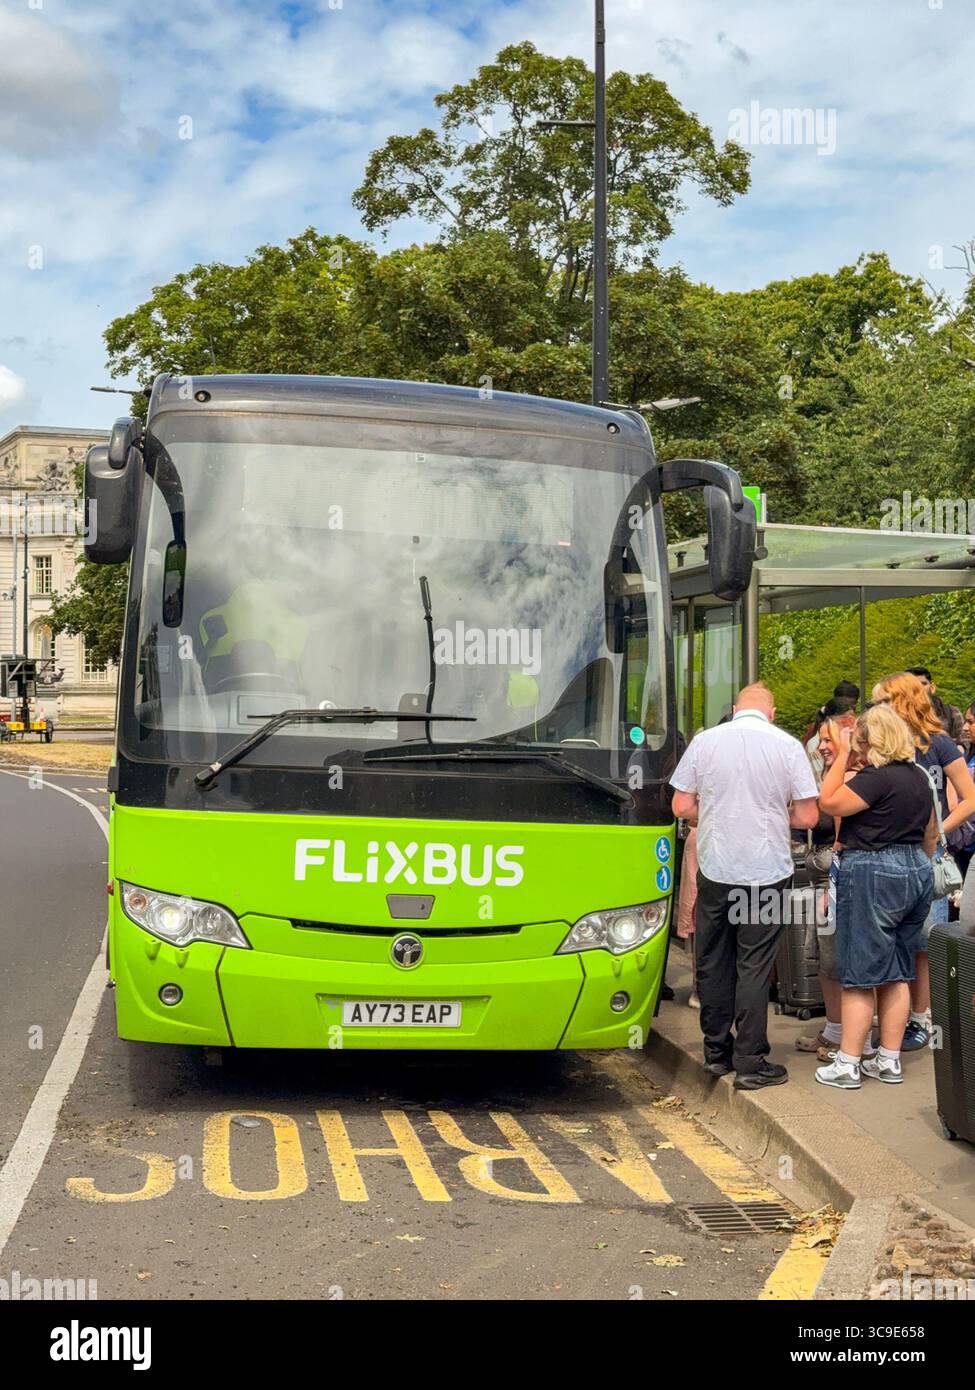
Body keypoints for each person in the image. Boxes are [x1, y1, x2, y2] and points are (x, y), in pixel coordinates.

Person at [670, 681, 819, 1090]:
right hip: (767, 872)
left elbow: (681, 806)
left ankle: (716, 1054)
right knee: (753, 964)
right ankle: (751, 1062)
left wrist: (719, 810)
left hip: (716, 869)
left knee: (713, 960)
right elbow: (807, 817)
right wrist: (772, 811)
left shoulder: (704, 742)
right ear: (771, 713)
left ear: (735, 708)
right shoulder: (787, 746)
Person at [815, 705, 936, 1089]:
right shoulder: (918, 777)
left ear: (873, 739)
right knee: (899, 970)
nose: (859, 748)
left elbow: (828, 801)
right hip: (916, 868)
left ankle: (848, 1063)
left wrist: (846, 756)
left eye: (862, 740)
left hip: (871, 870)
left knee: (860, 973)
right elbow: (931, 834)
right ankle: (888, 1061)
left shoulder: (875, 778)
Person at [880, 672, 975, 1048]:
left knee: (924, 940)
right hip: (887, 853)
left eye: (884, 700)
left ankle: (919, 1019)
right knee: (893, 939)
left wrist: (937, 832)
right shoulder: (884, 743)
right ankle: (894, 1020)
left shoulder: (938, 744)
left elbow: (969, 798)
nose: (878, 708)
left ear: (902, 701)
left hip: (925, 856)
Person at [794, 710, 864, 1064]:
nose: (820, 746)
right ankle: (835, 1030)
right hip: (823, 880)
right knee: (824, 959)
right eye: (820, 739)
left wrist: (831, 888)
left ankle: (848, 1039)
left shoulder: (849, 777)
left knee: (836, 960)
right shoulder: (832, 774)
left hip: (834, 881)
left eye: (827, 739)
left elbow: (841, 842)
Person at [907, 667, 965, 747]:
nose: (919, 688)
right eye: (913, 685)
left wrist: (961, 748)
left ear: (932, 687)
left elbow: (965, 737)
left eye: (923, 684)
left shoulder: (951, 712)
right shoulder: (898, 715)